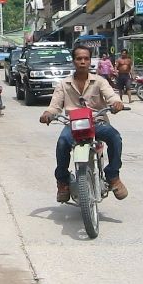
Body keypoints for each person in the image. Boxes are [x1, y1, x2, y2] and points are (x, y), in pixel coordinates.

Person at [39, 45, 128, 202]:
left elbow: (111, 96)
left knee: (115, 138)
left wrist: (116, 103)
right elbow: (54, 106)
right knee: (62, 143)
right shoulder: (64, 84)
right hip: (73, 124)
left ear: (90, 61)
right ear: (73, 61)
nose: (82, 61)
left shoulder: (99, 81)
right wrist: (48, 114)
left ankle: (113, 176)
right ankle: (63, 182)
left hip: (97, 122)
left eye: (86, 58)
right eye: (79, 58)